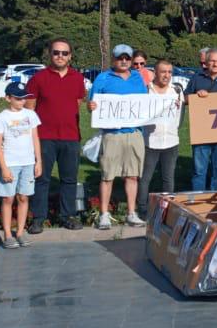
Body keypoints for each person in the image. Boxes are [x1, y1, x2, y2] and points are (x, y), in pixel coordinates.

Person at [26, 38, 88, 231]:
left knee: (69, 179)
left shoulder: (77, 78)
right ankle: (38, 218)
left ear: (70, 56)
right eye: (56, 52)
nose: (60, 56)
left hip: (70, 136)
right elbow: (29, 108)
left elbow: (77, 103)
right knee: (41, 179)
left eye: (64, 53)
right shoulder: (38, 78)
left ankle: (67, 215)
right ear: (50, 54)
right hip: (44, 137)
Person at [89, 44, 150, 229]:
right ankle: (104, 214)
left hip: (134, 133)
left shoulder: (138, 78)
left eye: (127, 58)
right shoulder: (103, 78)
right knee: (108, 175)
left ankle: (131, 213)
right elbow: (92, 103)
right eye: (120, 58)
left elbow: (146, 102)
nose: (123, 61)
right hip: (112, 134)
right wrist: (91, 106)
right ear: (113, 59)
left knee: (132, 176)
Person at [0, 81, 42, 249]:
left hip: (28, 162)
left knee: (23, 197)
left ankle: (20, 232)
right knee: (8, 198)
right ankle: (7, 234)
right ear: (8, 98)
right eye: (18, 98)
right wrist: (4, 167)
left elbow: (35, 138)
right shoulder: (1, 118)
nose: (22, 101)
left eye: (24, 98)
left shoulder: (31, 115)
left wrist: (38, 161)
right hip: (10, 163)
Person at [138, 59, 183, 221]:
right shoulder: (146, 91)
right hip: (150, 141)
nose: (166, 75)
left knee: (168, 178)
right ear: (155, 73)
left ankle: (167, 209)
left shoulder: (176, 91)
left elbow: (179, 117)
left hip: (171, 140)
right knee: (145, 177)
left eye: (170, 72)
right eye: (163, 72)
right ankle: (142, 209)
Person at [188, 48, 217, 191]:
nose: (216, 64)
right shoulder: (197, 78)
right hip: (201, 131)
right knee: (199, 170)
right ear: (206, 62)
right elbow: (184, 98)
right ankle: (199, 199)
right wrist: (196, 96)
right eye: (213, 61)